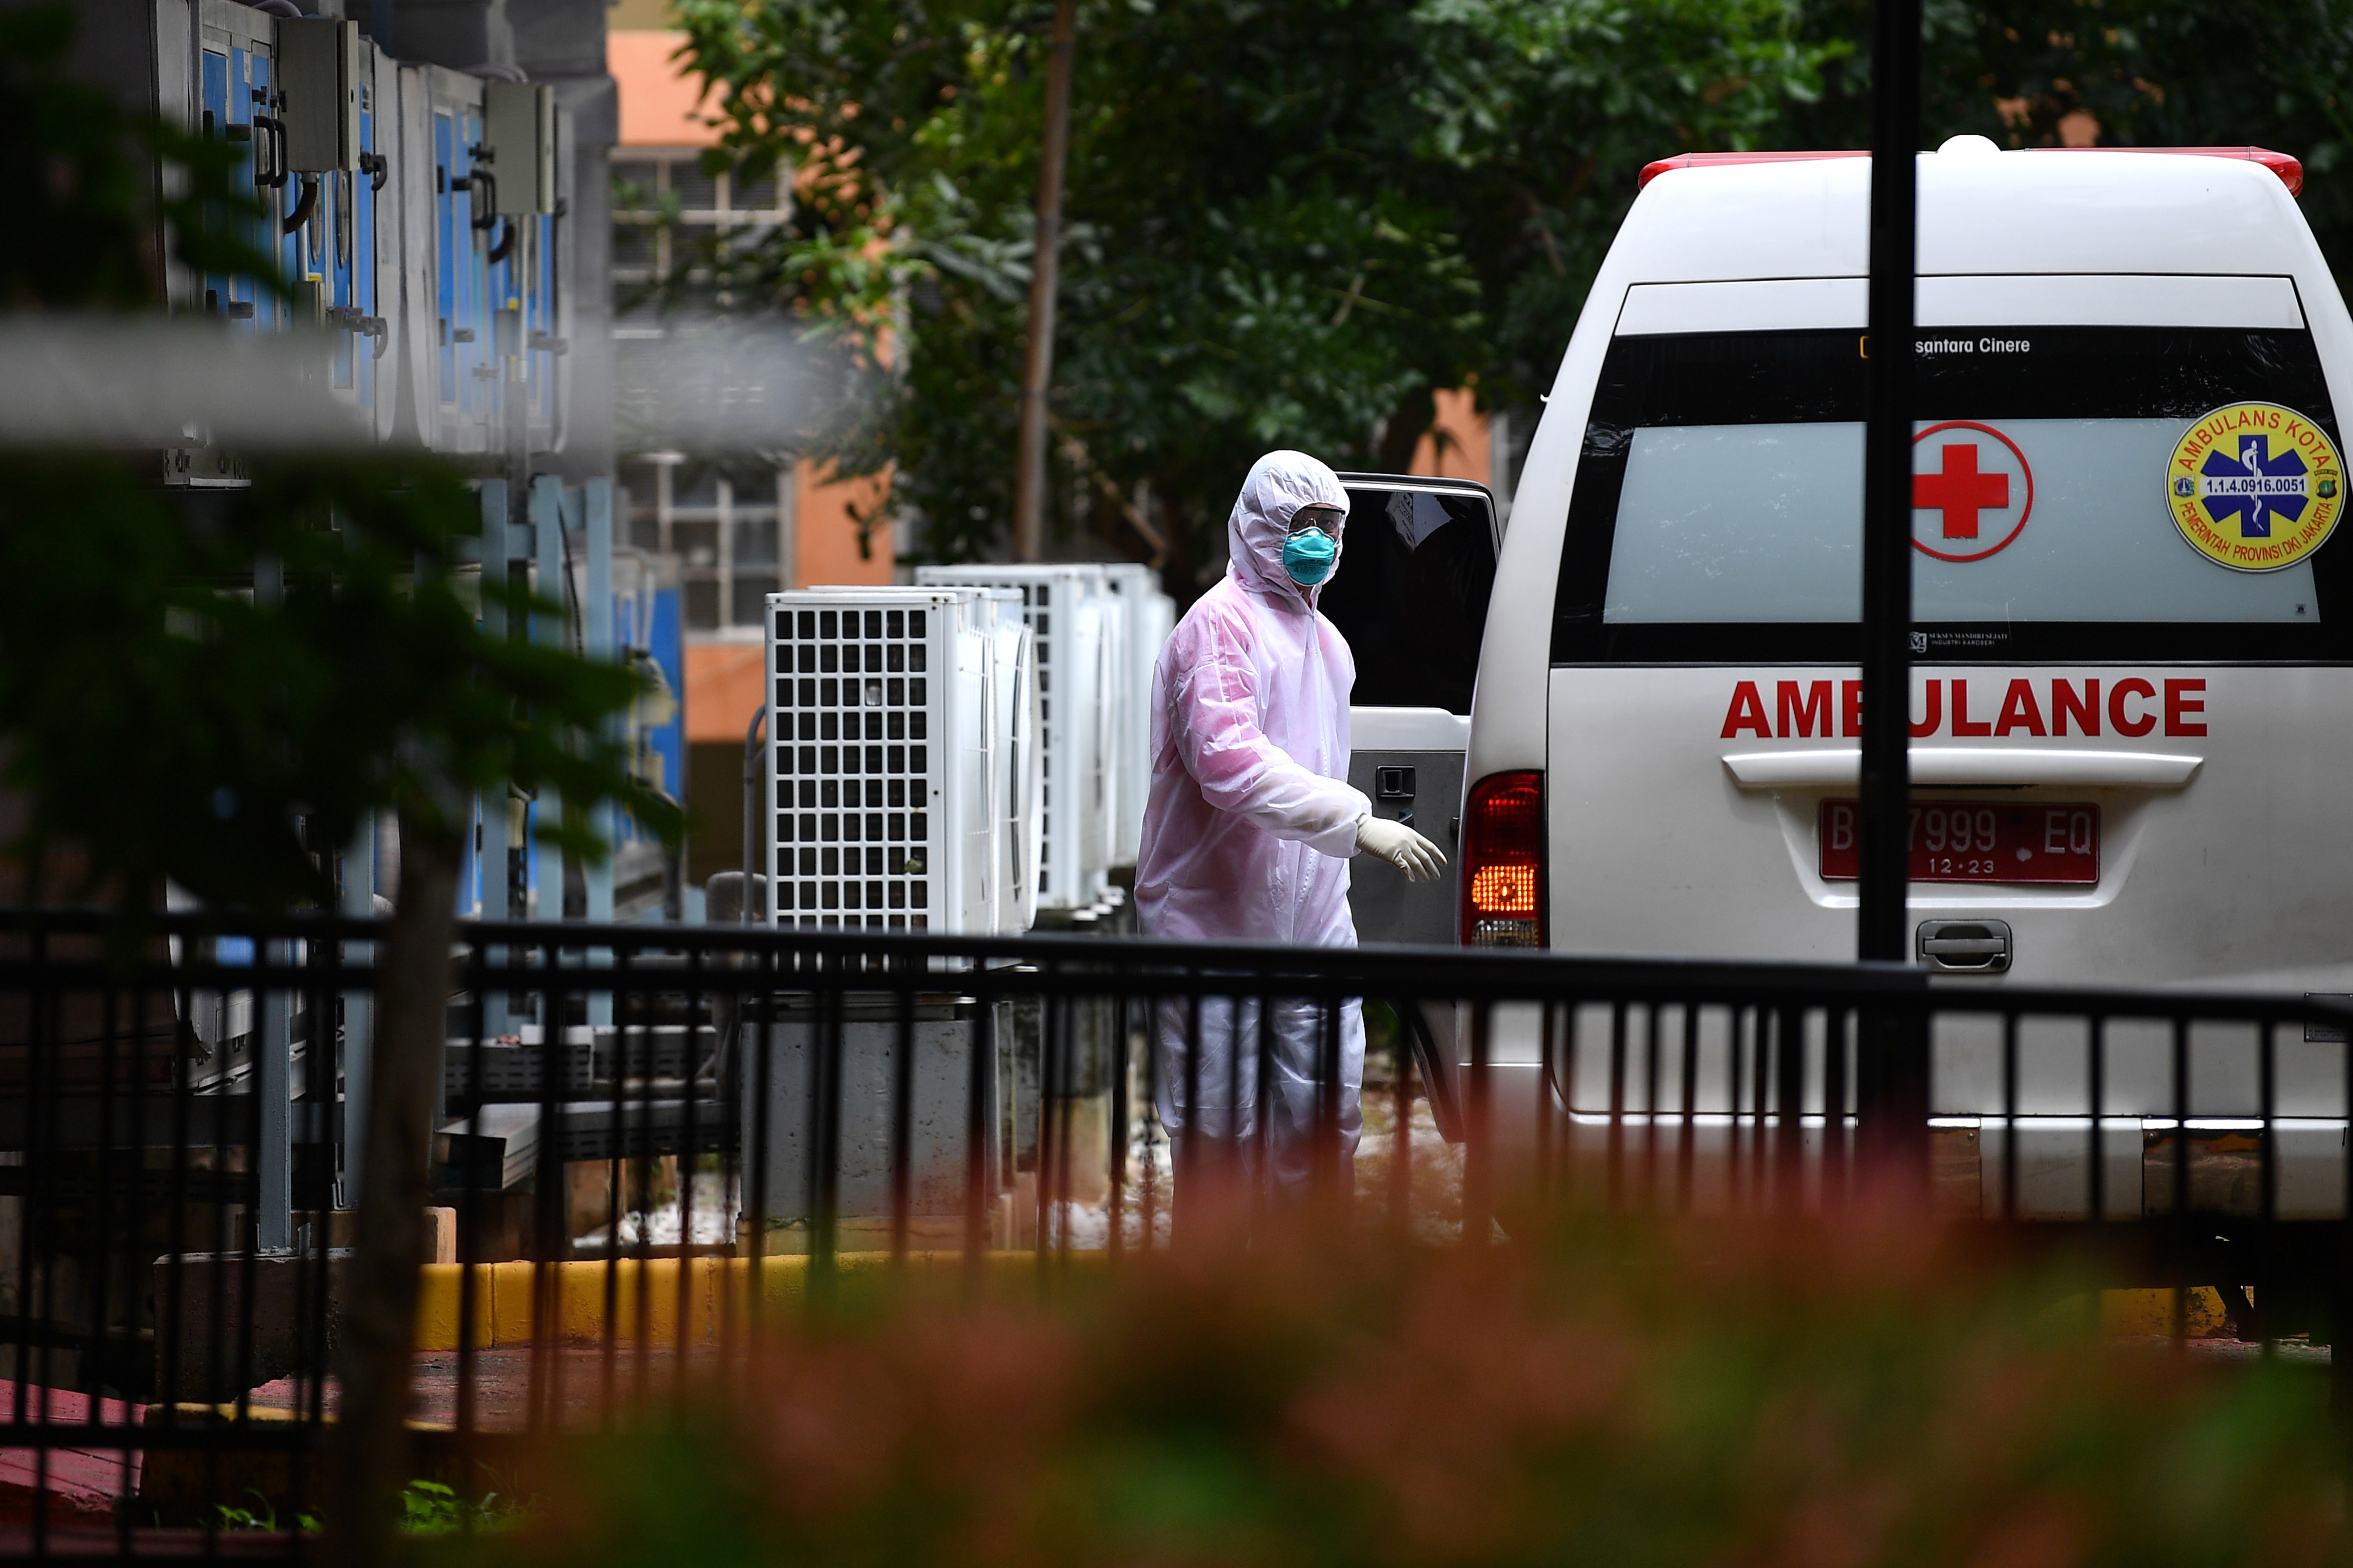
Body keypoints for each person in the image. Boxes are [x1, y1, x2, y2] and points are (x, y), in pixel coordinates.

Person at [1135, 449, 1446, 1207]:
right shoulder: (1219, 627)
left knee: (1324, 1123)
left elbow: (1320, 759)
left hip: (1314, 921)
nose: (1321, 540)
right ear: (1257, 525)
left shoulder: (1328, 644)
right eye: (1303, 522)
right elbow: (1229, 763)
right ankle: (1215, 1279)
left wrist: (1339, 861)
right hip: (1212, 919)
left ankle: (1307, 1273)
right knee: (1217, 1131)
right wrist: (1357, 822)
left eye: (1332, 525)